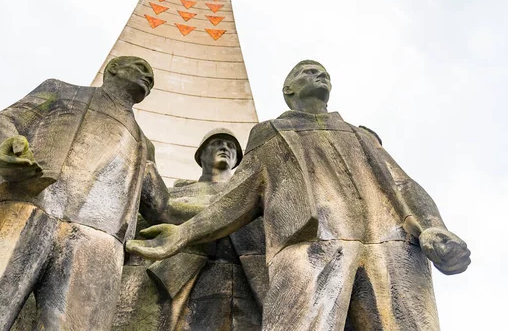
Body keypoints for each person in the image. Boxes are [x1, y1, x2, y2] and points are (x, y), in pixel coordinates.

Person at [127, 60, 471, 330]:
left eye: (324, 73)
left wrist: (432, 226)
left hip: (390, 249)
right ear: (288, 89)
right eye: (308, 71)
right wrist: (184, 233)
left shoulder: (362, 136)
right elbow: (238, 198)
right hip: (310, 248)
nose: (320, 75)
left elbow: (403, 185)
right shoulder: (270, 135)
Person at [0, 56, 164, 331]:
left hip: (99, 240)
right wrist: (4, 147)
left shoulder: (144, 146)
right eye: (141, 68)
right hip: (25, 204)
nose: (148, 77)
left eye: (150, 76)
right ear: (113, 69)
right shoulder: (60, 91)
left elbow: (163, 208)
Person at [118, 128, 264, 330]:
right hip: (187, 275)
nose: (225, 147)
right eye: (217, 143)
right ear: (200, 155)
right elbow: (155, 215)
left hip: (250, 277)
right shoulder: (175, 192)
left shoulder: (257, 195)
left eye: (231, 146)